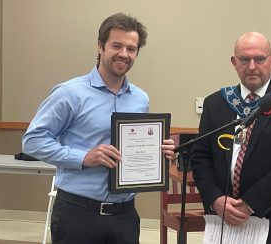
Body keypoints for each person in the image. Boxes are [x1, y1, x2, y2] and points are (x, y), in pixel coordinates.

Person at [22, 13, 175, 244]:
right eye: (116, 45)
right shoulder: (69, 93)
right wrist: (85, 157)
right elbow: (32, 141)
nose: (124, 54)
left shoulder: (140, 99)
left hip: (125, 216)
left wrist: (160, 151)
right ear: (100, 46)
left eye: (131, 49)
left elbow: (134, 148)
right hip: (77, 215)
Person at [190, 31, 271, 243]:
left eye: (259, 59)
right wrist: (215, 199)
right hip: (225, 221)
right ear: (233, 62)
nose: (251, 66)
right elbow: (201, 157)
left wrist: (249, 203)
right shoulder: (216, 103)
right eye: (244, 59)